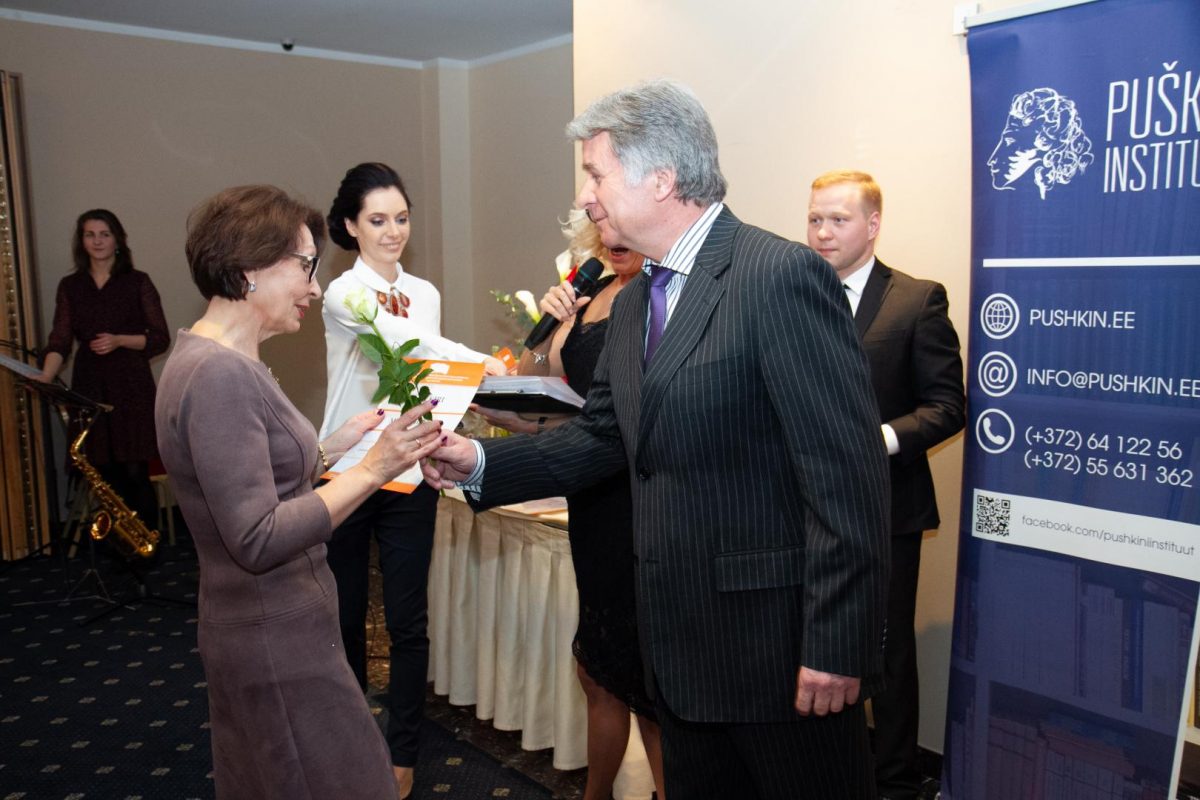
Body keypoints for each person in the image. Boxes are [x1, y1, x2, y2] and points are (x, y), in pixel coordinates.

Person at [426, 79, 891, 800]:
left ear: (662, 179)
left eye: (596, 175)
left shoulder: (778, 276)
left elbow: (847, 479)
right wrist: (479, 460)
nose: (585, 197)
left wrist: (837, 644)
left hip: (780, 657)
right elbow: (604, 435)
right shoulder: (639, 298)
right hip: (678, 653)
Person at [154, 184, 444, 799]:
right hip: (275, 638)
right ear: (250, 268)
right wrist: (374, 469)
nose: (314, 289)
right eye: (307, 266)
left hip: (260, 628)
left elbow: (249, 479)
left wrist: (331, 448)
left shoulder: (204, 356)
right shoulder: (221, 375)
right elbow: (258, 536)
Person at [320, 162, 506, 799]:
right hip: (348, 469)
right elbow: (403, 345)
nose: (393, 231)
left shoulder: (424, 291)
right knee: (343, 619)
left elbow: (430, 377)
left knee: (407, 622)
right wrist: (486, 365)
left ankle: (402, 752)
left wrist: (450, 419)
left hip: (408, 468)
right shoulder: (341, 293)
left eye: (401, 218)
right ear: (351, 226)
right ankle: (349, 745)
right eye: (377, 220)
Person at [472, 210, 666, 800]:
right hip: (591, 500)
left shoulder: (663, 296)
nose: (612, 240)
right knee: (597, 671)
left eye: (623, 229)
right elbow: (542, 386)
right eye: (604, 230)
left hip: (641, 501)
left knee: (650, 685)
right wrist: (549, 326)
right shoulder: (590, 294)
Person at [807, 170, 965, 800]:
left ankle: (895, 781)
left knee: (887, 651)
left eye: (837, 220)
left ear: (872, 225)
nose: (822, 232)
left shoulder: (916, 300)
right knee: (814, 645)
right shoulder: (791, 293)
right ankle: (827, 771)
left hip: (886, 509)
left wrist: (876, 440)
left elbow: (947, 407)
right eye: (815, 219)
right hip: (803, 508)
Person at [38, 209, 169, 528]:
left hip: (131, 386)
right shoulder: (71, 286)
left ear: (117, 240)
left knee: (135, 470)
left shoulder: (137, 282)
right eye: (90, 235)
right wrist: (44, 377)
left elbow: (159, 338)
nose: (97, 241)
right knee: (103, 472)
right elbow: (60, 340)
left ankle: (147, 544)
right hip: (91, 385)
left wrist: (120, 340)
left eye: (104, 234)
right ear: (81, 241)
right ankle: (117, 544)